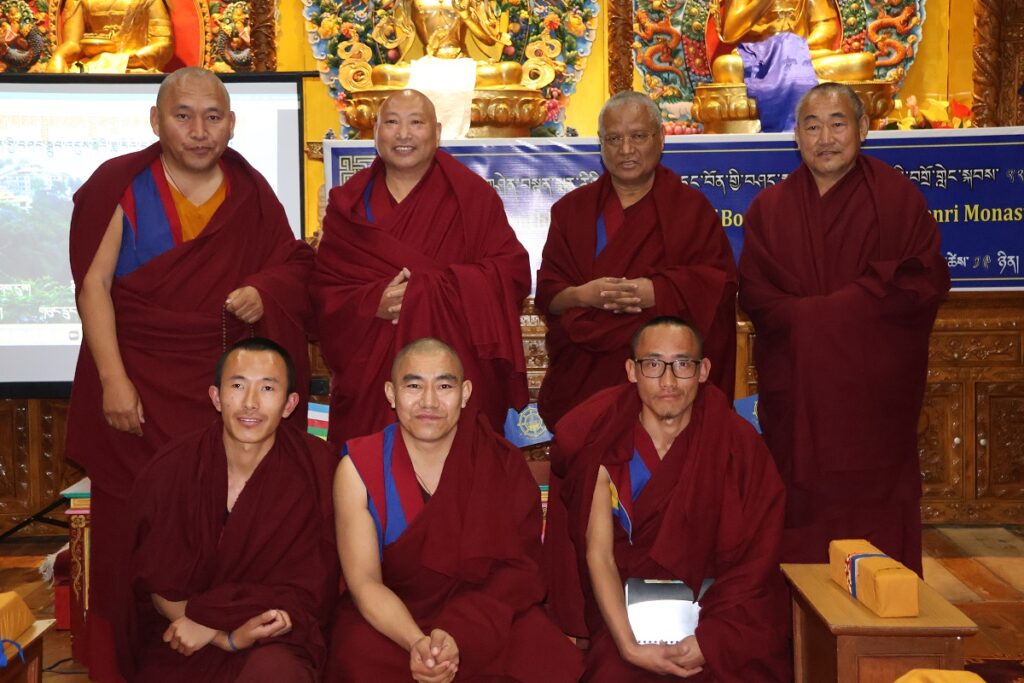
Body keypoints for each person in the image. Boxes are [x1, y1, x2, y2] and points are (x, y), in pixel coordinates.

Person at [68, 66, 314, 681]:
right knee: (137, 527)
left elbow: (292, 267)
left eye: (212, 117)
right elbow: (93, 286)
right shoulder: (121, 186)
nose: (199, 131)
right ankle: (132, 660)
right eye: (183, 116)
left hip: (228, 395)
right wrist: (113, 380)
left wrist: (263, 290)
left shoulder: (250, 191)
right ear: (157, 121)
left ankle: (226, 641)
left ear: (231, 123)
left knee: (226, 521)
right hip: (141, 388)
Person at [738, 83, 951, 574]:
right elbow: (756, 293)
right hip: (799, 394)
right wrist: (836, 313)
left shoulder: (896, 200)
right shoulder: (770, 209)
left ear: (864, 129)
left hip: (871, 401)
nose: (825, 138)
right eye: (812, 126)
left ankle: (880, 614)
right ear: (796, 136)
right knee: (799, 518)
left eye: (838, 123)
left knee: (875, 522)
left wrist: (821, 314)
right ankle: (800, 617)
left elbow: (920, 283)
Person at [544, 316, 790, 682]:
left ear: (703, 370)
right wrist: (628, 646)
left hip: (721, 615)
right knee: (611, 673)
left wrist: (711, 640)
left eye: (683, 364)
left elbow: (758, 559)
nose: (669, 381)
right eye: (653, 364)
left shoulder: (738, 445)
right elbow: (599, 555)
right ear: (632, 371)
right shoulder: (607, 444)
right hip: (630, 616)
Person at [327, 338, 583, 682]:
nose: (429, 401)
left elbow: (519, 571)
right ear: (391, 394)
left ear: (465, 393)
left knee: (552, 661)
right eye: (414, 385)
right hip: (392, 618)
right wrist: (417, 643)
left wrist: (459, 633)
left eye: (444, 386)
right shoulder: (361, 467)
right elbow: (364, 582)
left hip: (480, 613)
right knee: (357, 657)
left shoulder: (499, 461)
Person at [312, 89, 530, 444]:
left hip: (455, 372)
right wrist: (372, 303)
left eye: (416, 122)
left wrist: (432, 290)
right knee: (374, 471)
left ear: (437, 132)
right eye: (391, 122)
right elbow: (324, 296)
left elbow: (513, 273)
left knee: (460, 470)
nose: (403, 134)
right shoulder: (348, 206)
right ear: (375, 132)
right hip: (372, 379)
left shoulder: (472, 197)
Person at [122, 338, 338, 682]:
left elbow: (311, 591)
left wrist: (220, 624)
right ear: (216, 397)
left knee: (276, 673)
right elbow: (155, 578)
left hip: (272, 638)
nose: (250, 403)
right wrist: (222, 637)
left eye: (267, 388)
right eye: (237, 386)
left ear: (289, 404)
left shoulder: (318, 469)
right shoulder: (174, 467)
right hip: (185, 633)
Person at [536, 90, 737, 430]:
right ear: (601, 144)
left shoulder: (690, 209)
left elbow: (719, 285)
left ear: (661, 139)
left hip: (663, 379)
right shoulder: (572, 211)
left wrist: (655, 292)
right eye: (614, 139)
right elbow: (549, 295)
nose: (626, 149)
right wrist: (585, 295)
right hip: (586, 378)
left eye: (638, 136)